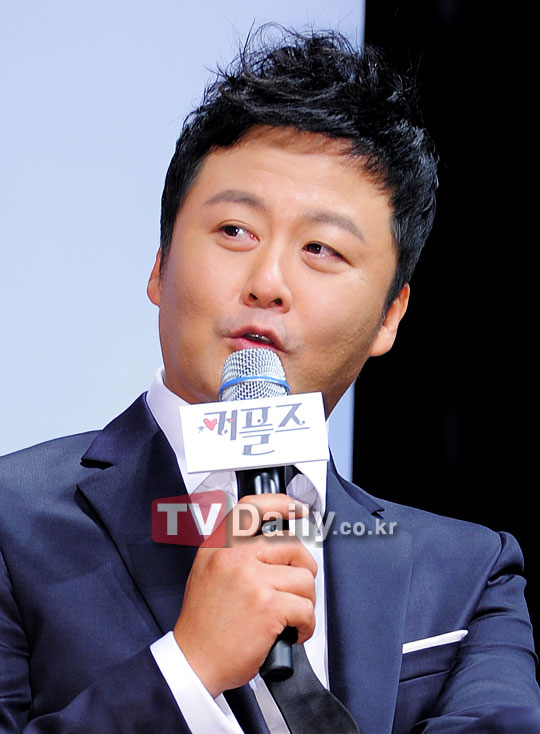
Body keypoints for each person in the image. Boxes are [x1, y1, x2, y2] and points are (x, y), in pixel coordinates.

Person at [0, 26, 539, 734]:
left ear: (389, 316)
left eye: (321, 248)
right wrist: (187, 671)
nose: (268, 282)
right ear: (160, 265)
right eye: (235, 231)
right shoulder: (11, 521)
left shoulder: (469, 574)